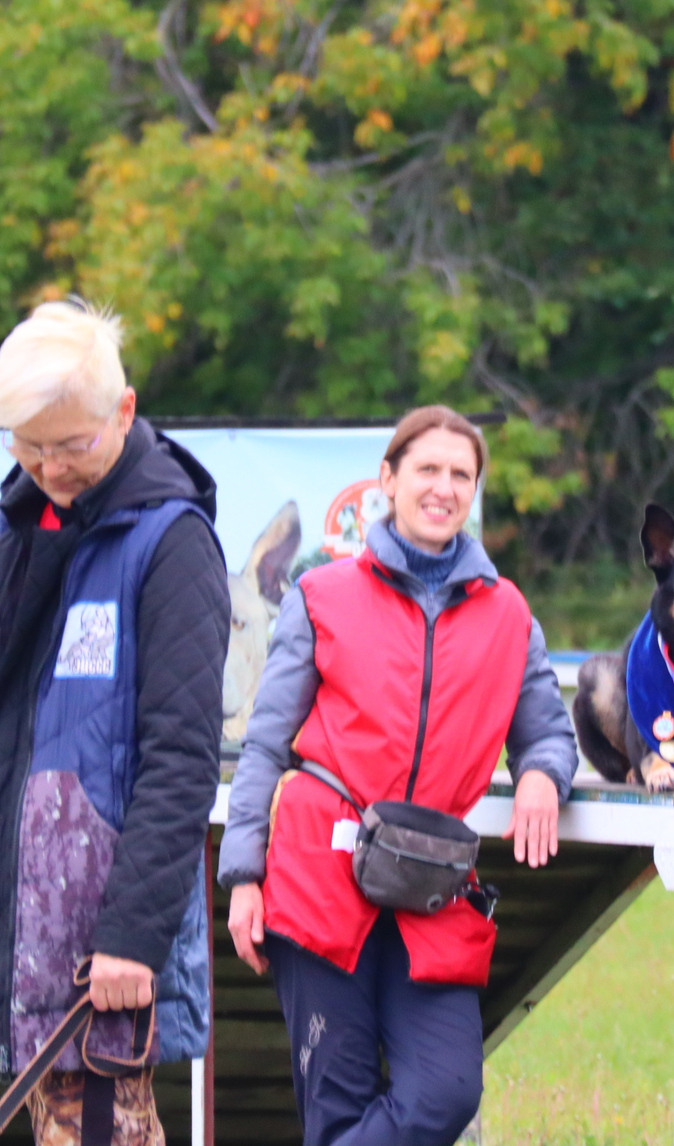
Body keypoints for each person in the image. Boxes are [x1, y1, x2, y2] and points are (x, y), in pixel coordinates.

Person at [217, 405, 579, 1146]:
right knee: (339, 1108)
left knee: (445, 1092)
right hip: (318, 878)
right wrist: (242, 875)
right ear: (388, 480)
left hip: (434, 884)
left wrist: (544, 774)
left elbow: (546, 729)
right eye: (428, 470)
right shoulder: (322, 595)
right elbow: (264, 745)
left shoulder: (510, 615)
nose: (444, 488)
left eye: (461, 475)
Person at [0, 299, 229, 1146]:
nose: (49, 467)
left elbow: (182, 760)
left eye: (72, 444)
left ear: (124, 412)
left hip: (107, 954)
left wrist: (131, 937)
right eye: (28, 446)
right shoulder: (15, 528)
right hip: (9, 937)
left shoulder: (173, 544)